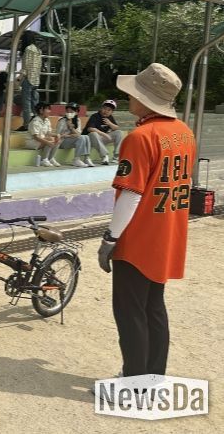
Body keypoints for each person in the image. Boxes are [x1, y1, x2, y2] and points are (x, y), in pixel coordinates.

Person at [97, 63, 196, 379]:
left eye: (133, 93)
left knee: (130, 313)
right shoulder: (184, 133)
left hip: (138, 240)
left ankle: (134, 382)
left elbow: (131, 195)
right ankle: (154, 376)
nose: (129, 98)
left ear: (145, 99)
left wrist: (110, 238)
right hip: (167, 235)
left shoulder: (140, 137)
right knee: (153, 308)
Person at [83, 99, 124, 165]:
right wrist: (105, 134)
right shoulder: (95, 116)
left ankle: (116, 157)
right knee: (94, 134)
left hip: (101, 139)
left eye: (109, 110)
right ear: (101, 108)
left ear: (112, 112)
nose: (106, 111)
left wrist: (110, 123)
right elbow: (90, 129)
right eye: (104, 108)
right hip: (90, 140)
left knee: (119, 132)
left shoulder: (110, 117)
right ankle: (104, 156)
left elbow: (116, 128)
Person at [55, 102, 95, 168]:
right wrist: (69, 135)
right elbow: (58, 135)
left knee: (86, 137)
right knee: (81, 138)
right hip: (62, 142)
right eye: (67, 111)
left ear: (76, 112)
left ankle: (86, 158)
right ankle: (76, 159)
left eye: (71, 111)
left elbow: (78, 134)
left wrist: (71, 127)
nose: (69, 113)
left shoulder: (77, 120)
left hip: (70, 139)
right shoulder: (62, 121)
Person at [16, 31, 42, 131]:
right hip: (36, 80)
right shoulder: (38, 50)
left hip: (28, 79)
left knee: (26, 103)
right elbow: (39, 66)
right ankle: (36, 124)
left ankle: (26, 125)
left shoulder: (28, 49)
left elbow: (25, 66)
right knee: (34, 104)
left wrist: (19, 78)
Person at [25, 101, 61, 167]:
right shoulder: (35, 121)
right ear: (41, 110)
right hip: (32, 142)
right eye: (47, 109)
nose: (49, 111)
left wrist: (56, 135)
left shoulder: (47, 120)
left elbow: (48, 133)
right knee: (50, 141)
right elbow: (36, 137)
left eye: (49, 109)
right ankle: (44, 160)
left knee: (56, 139)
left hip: (40, 140)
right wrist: (47, 142)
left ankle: (51, 158)